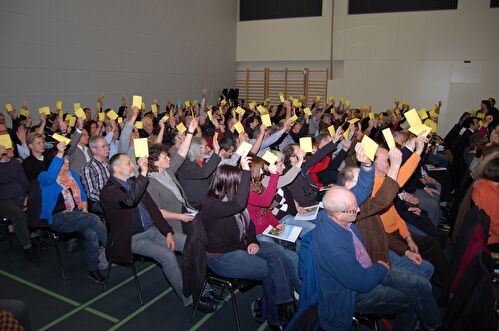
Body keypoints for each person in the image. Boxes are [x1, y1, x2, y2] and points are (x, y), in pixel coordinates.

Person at [312, 187, 441, 331]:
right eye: (353, 209)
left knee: (419, 285)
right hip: (357, 293)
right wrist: (381, 267)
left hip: (371, 268)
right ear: (338, 215)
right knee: (412, 299)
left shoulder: (335, 217)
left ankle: (432, 325)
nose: (358, 211)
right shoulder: (332, 246)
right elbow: (362, 283)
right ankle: (433, 326)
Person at [202, 157, 296, 329]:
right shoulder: (212, 206)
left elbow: (250, 225)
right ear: (228, 184)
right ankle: (278, 316)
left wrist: (251, 241)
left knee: (278, 254)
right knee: (270, 269)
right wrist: (246, 170)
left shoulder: (234, 201)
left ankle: (285, 304)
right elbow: (231, 233)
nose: (244, 187)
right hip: (222, 256)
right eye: (241, 182)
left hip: (242, 245)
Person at [100, 153, 195, 308]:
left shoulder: (133, 183)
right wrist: (143, 174)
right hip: (131, 238)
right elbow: (129, 200)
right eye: (128, 163)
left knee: (188, 243)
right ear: (116, 168)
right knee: (167, 255)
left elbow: (154, 211)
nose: (133, 165)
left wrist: (168, 232)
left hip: (152, 230)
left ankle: (198, 285)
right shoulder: (108, 191)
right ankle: (189, 298)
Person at [38, 142, 107, 282]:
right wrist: (59, 154)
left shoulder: (72, 175)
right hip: (58, 218)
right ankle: (114, 250)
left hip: (76, 214)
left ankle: (92, 269)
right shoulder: (45, 178)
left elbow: (82, 195)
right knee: (94, 219)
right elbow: (51, 175)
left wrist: (85, 210)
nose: (68, 162)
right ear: (55, 163)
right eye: (65, 160)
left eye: (68, 159)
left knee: (91, 233)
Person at [0, 143, 38, 261]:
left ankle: (33, 233)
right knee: (19, 214)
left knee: (37, 201)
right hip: (4, 199)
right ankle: (27, 247)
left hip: (21, 195)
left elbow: (24, 181)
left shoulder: (15, 163)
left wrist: (28, 195)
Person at [80, 135, 110, 214]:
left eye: (107, 145)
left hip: (113, 197)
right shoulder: (88, 168)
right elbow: (92, 193)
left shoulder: (110, 163)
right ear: (94, 150)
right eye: (103, 146)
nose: (107, 148)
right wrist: (111, 198)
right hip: (100, 202)